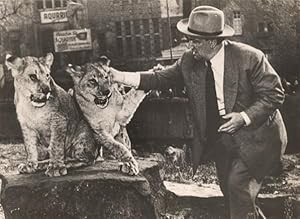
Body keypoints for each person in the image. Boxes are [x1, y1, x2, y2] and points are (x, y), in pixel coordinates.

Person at [110, 5, 287, 219]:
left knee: (237, 185)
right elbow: (159, 78)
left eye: (195, 41)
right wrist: (119, 76)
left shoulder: (250, 58)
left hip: (258, 136)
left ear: (212, 42)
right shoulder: (189, 61)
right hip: (223, 138)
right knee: (232, 195)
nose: (190, 45)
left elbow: (275, 94)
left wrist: (244, 117)